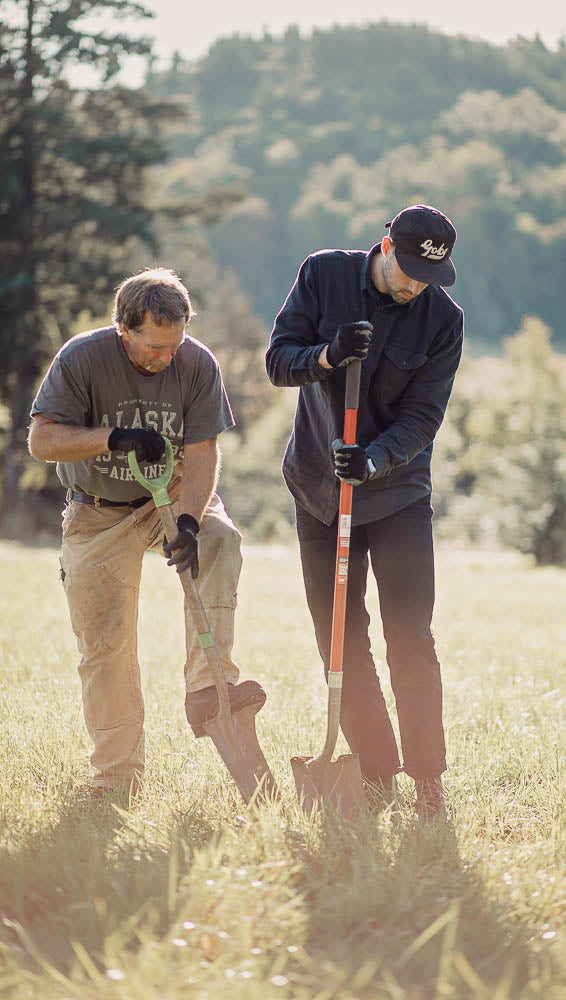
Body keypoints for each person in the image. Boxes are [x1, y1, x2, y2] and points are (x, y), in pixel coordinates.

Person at [28, 267, 265, 793]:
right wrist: (113, 439)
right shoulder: (82, 358)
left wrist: (186, 520)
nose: (165, 358)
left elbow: (204, 451)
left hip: (172, 494)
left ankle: (209, 687)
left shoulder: (197, 362)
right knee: (105, 648)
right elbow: (42, 441)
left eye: (174, 345)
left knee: (219, 539)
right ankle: (117, 775)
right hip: (97, 511)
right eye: (154, 347)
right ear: (124, 330)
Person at [266, 205, 464, 818]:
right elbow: (278, 361)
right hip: (318, 491)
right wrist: (325, 357)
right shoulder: (323, 274)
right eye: (405, 269)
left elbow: (424, 417)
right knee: (340, 640)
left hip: (397, 491)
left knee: (410, 635)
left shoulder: (442, 320)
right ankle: (376, 776)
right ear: (384, 246)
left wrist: (374, 460)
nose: (413, 285)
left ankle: (427, 780)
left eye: (426, 276)